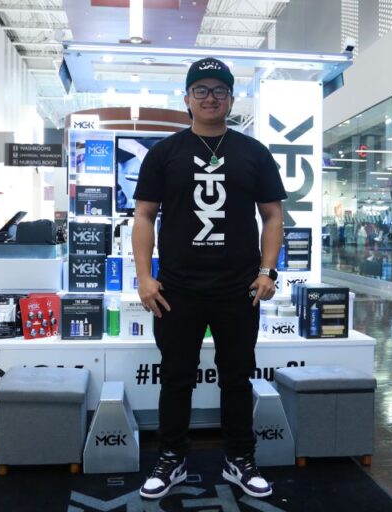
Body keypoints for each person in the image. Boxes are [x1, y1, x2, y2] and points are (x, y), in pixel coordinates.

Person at [131, 57, 286, 500]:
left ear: (232, 99)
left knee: (236, 377)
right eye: (201, 89)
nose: (210, 97)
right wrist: (145, 277)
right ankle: (171, 458)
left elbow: (273, 216)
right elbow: (144, 216)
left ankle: (240, 457)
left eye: (219, 90)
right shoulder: (165, 153)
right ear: (186, 98)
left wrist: (267, 271)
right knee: (175, 376)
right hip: (176, 289)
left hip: (239, 289)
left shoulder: (253, 153)